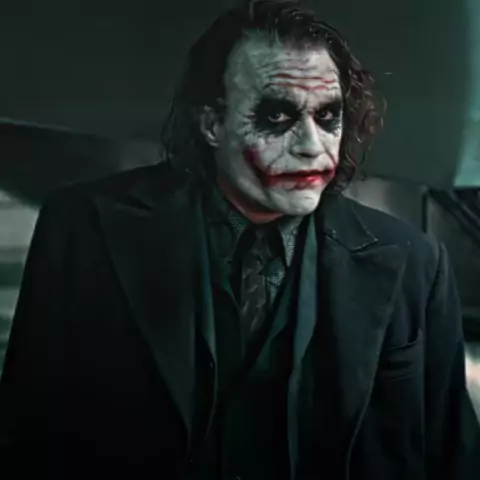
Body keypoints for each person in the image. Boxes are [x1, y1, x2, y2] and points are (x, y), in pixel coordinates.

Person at [0, 1, 478, 479]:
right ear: (212, 124)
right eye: (277, 116)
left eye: (328, 116)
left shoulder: (414, 263)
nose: (312, 146)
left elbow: (452, 455)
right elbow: (29, 437)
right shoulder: (86, 227)